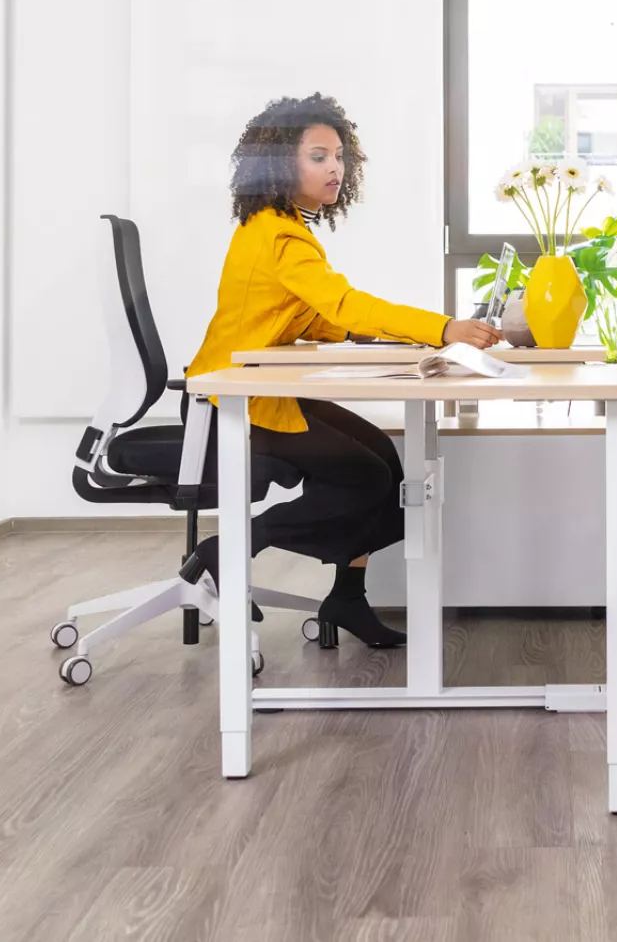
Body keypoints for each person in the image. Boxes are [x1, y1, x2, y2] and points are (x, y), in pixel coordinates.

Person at [181, 94, 501, 648]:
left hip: (265, 385)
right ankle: (229, 548)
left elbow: (314, 312)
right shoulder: (279, 234)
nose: (336, 168)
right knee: (369, 479)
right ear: (282, 164)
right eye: (319, 157)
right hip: (236, 396)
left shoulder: (284, 227)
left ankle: (347, 597)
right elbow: (343, 302)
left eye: (339, 156)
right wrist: (441, 328)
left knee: (385, 460)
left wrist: (371, 332)